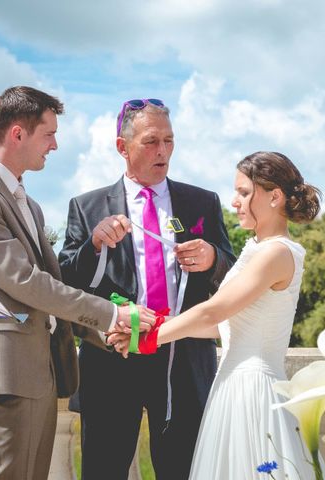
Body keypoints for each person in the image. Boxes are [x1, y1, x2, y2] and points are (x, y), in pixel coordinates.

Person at [0, 86, 154, 480]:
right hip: (4, 380)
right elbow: (25, 282)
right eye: (49, 133)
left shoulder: (28, 202)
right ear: (18, 134)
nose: (55, 145)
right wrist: (111, 314)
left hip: (37, 377)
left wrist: (103, 333)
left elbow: (47, 290)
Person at [110, 151, 325, 479]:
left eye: (244, 192)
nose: (234, 202)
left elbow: (214, 309)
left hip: (254, 390)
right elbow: (219, 324)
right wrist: (146, 327)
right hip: (232, 386)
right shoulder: (258, 249)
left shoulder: (277, 253)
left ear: (275, 197)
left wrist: (150, 337)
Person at [59, 98, 236, 479]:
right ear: (122, 147)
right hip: (112, 360)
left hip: (183, 361)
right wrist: (93, 245)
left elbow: (235, 277)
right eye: (151, 142)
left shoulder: (201, 202)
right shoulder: (87, 206)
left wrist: (212, 258)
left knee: (185, 472)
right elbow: (65, 281)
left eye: (169, 141)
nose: (163, 152)